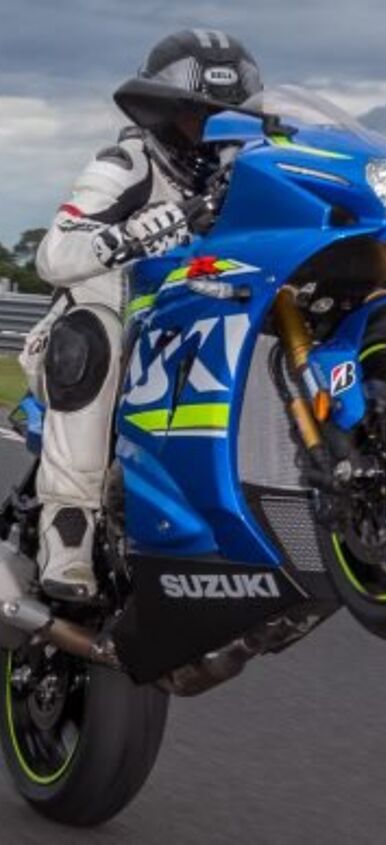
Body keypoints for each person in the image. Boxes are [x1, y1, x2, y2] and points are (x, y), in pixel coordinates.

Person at [19, 29, 262, 601]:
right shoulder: (127, 163)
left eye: (228, 117)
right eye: (199, 117)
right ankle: (67, 534)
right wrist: (127, 236)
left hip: (181, 340)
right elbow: (54, 254)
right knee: (93, 329)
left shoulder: (248, 177)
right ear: (163, 115)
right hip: (98, 339)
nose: (213, 132)